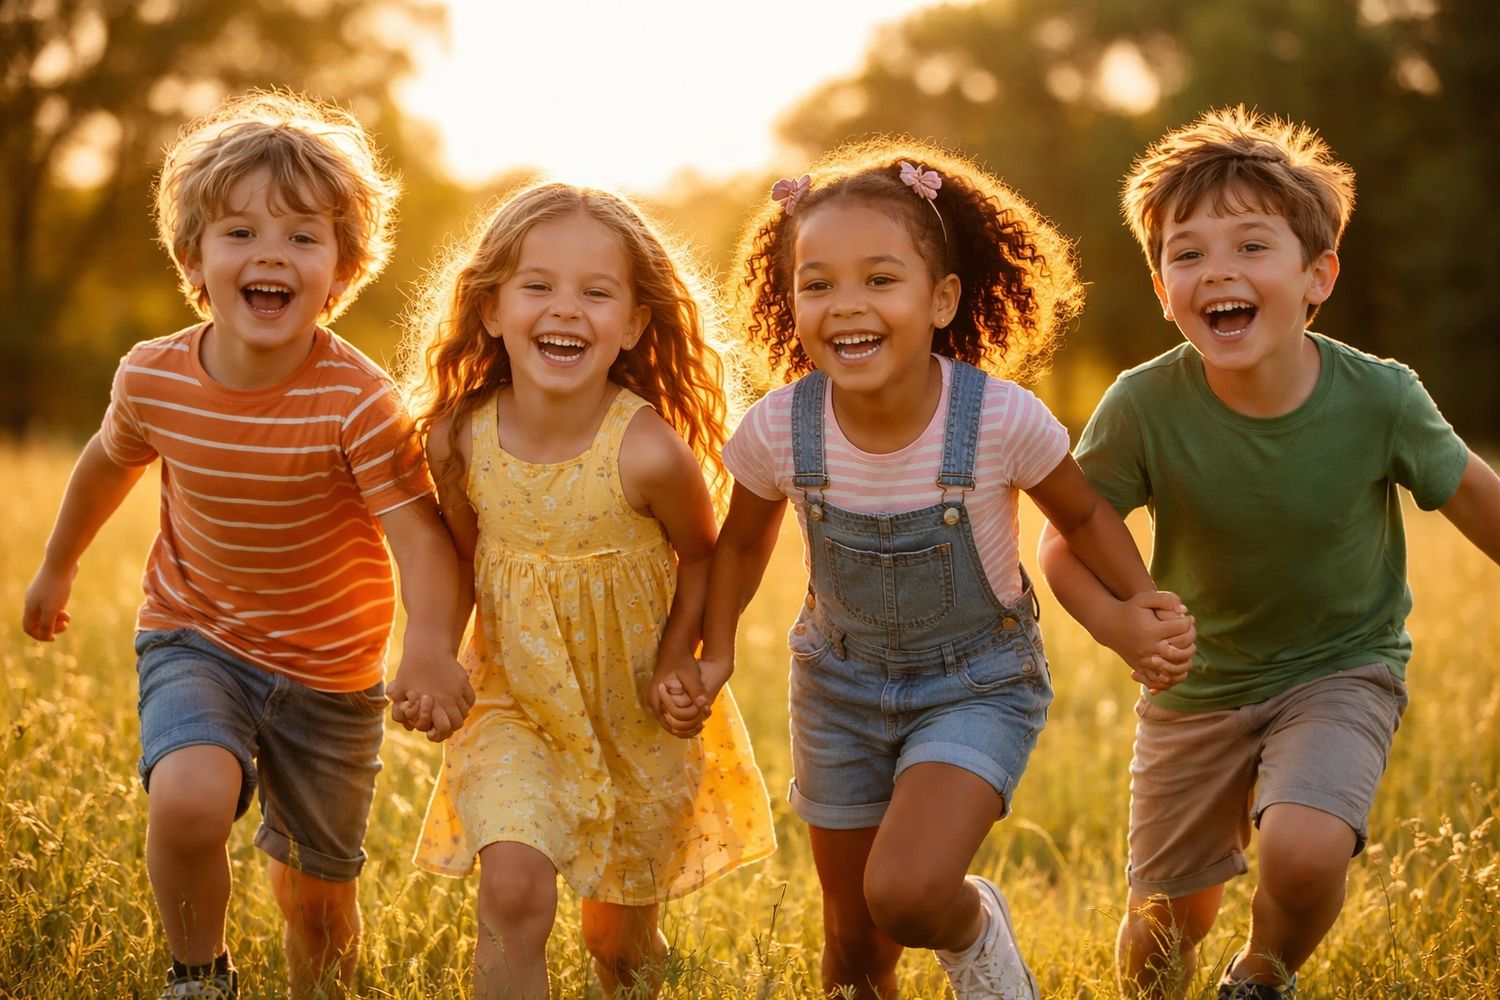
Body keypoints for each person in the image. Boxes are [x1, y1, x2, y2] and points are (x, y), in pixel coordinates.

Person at [657, 139, 1193, 1000]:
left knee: (906, 896)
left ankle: (974, 928)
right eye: (817, 282)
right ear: (787, 297)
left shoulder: (997, 420)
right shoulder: (779, 428)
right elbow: (745, 545)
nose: (846, 305)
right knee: (853, 944)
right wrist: (712, 654)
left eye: (880, 279)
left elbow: (1084, 513)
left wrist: (1140, 611)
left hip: (976, 682)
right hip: (838, 689)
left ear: (941, 298)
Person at [19, 90, 474, 999]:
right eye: (240, 232)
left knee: (316, 904)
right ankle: (199, 976)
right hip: (195, 636)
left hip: (331, 674)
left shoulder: (357, 401)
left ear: (342, 272)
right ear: (194, 257)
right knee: (187, 800)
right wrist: (57, 564)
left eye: (304, 237)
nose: (272, 253)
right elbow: (107, 467)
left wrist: (427, 647)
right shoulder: (153, 376)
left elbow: (421, 541)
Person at [1038, 106, 1500, 999]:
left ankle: (1264, 975)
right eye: (1188, 253)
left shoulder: (1382, 399)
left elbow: (1481, 501)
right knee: (1167, 928)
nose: (1218, 271)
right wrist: (1118, 625)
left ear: (1317, 275)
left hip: (1341, 666)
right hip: (1197, 689)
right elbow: (1065, 543)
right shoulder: (1142, 405)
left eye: (1252, 246)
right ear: (1163, 286)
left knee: (1305, 849)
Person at [397, 181, 775, 1000]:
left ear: (634, 323)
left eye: (595, 293)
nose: (565, 310)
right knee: (512, 891)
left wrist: (683, 657)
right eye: (537, 286)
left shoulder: (647, 452)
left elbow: (704, 560)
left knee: (620, 944)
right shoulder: (458, 438)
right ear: (492, 308)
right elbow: (461, 563)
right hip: (515, 704)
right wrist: (431, 653)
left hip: (631, 714)